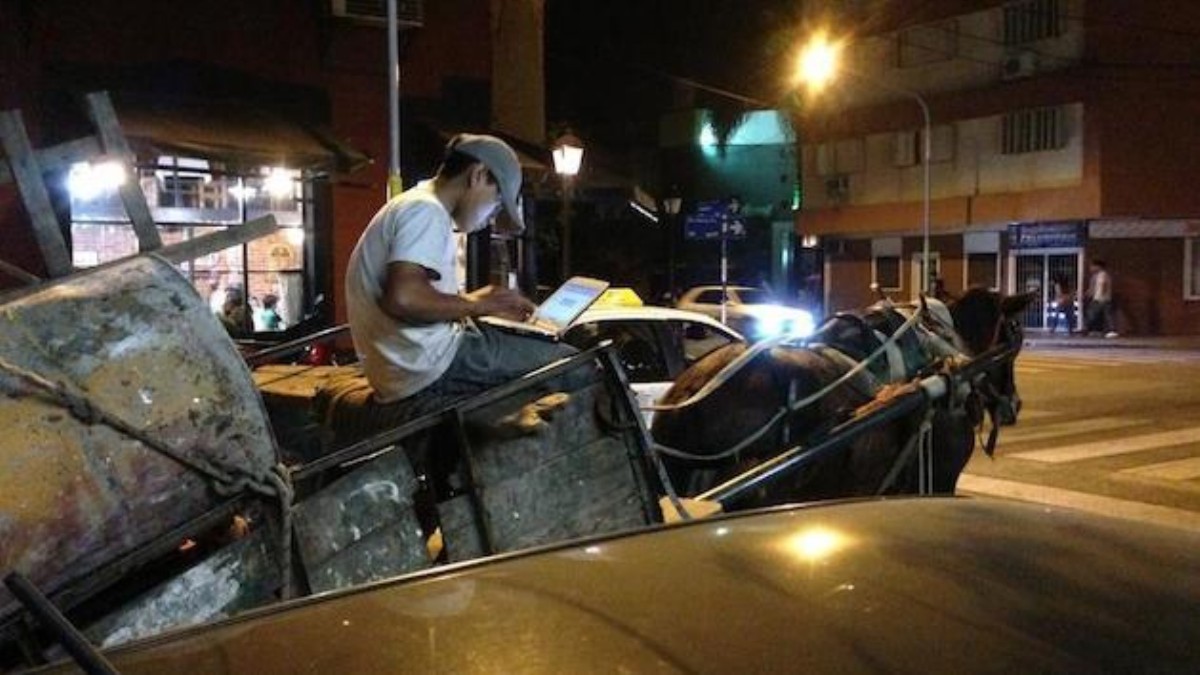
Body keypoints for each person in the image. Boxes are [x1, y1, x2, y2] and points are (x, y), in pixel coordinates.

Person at [345, 133, 582, 407]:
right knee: (574, 364)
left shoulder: (413, 205)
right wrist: (477, 304)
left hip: (408, 363)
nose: (491, 216)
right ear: (478, 175)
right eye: (497, 201)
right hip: (428, 365)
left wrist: (478, 305)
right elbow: (403, 298)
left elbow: (413, 294)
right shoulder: (425, 210)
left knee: (532, 348)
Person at [1085, 259, 1117, 338]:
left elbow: (1103, 285)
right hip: (1100, 298)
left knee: (1094, 314)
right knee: (1103, 315)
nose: (1091, 268)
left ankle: (1110, 330)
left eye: (1092, 266)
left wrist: (1101, 295)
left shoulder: (1102, 275)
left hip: (1101, 299)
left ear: (1098, 266)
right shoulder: (1097, 276)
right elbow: (1094, 287)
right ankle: (1099, 330)